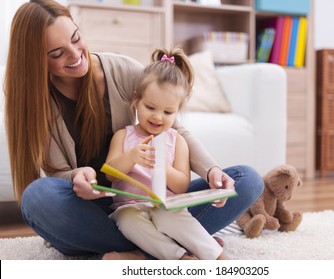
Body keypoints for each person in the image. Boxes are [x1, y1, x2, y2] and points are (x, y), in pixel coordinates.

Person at [4, 0, 264, 259]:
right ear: (35, 60)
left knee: (247, 180)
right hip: (96, 211)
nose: (74, 55)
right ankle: (174, 247)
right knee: (37, 197)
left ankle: (135, 254)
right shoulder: (37, 104)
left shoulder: (123, 70)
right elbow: (55, 174)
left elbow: (176, 131)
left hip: (157, 203)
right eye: (57, 53)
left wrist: (212, 172)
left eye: (76, 38)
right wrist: (74, 177)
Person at [104, 47, 228, 260]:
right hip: (128, 207)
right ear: (136, 100)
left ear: (178, 111)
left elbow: (181, 186)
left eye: (168, 112)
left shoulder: (177, 141)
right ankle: (180, 258)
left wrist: (163, 167)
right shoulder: (122, 136)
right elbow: (110, 174)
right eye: (150, 107)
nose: (158, 117)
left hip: (166, 206)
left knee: (176, 220)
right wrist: (131, 157)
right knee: (129, 223)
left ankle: (215, 256)